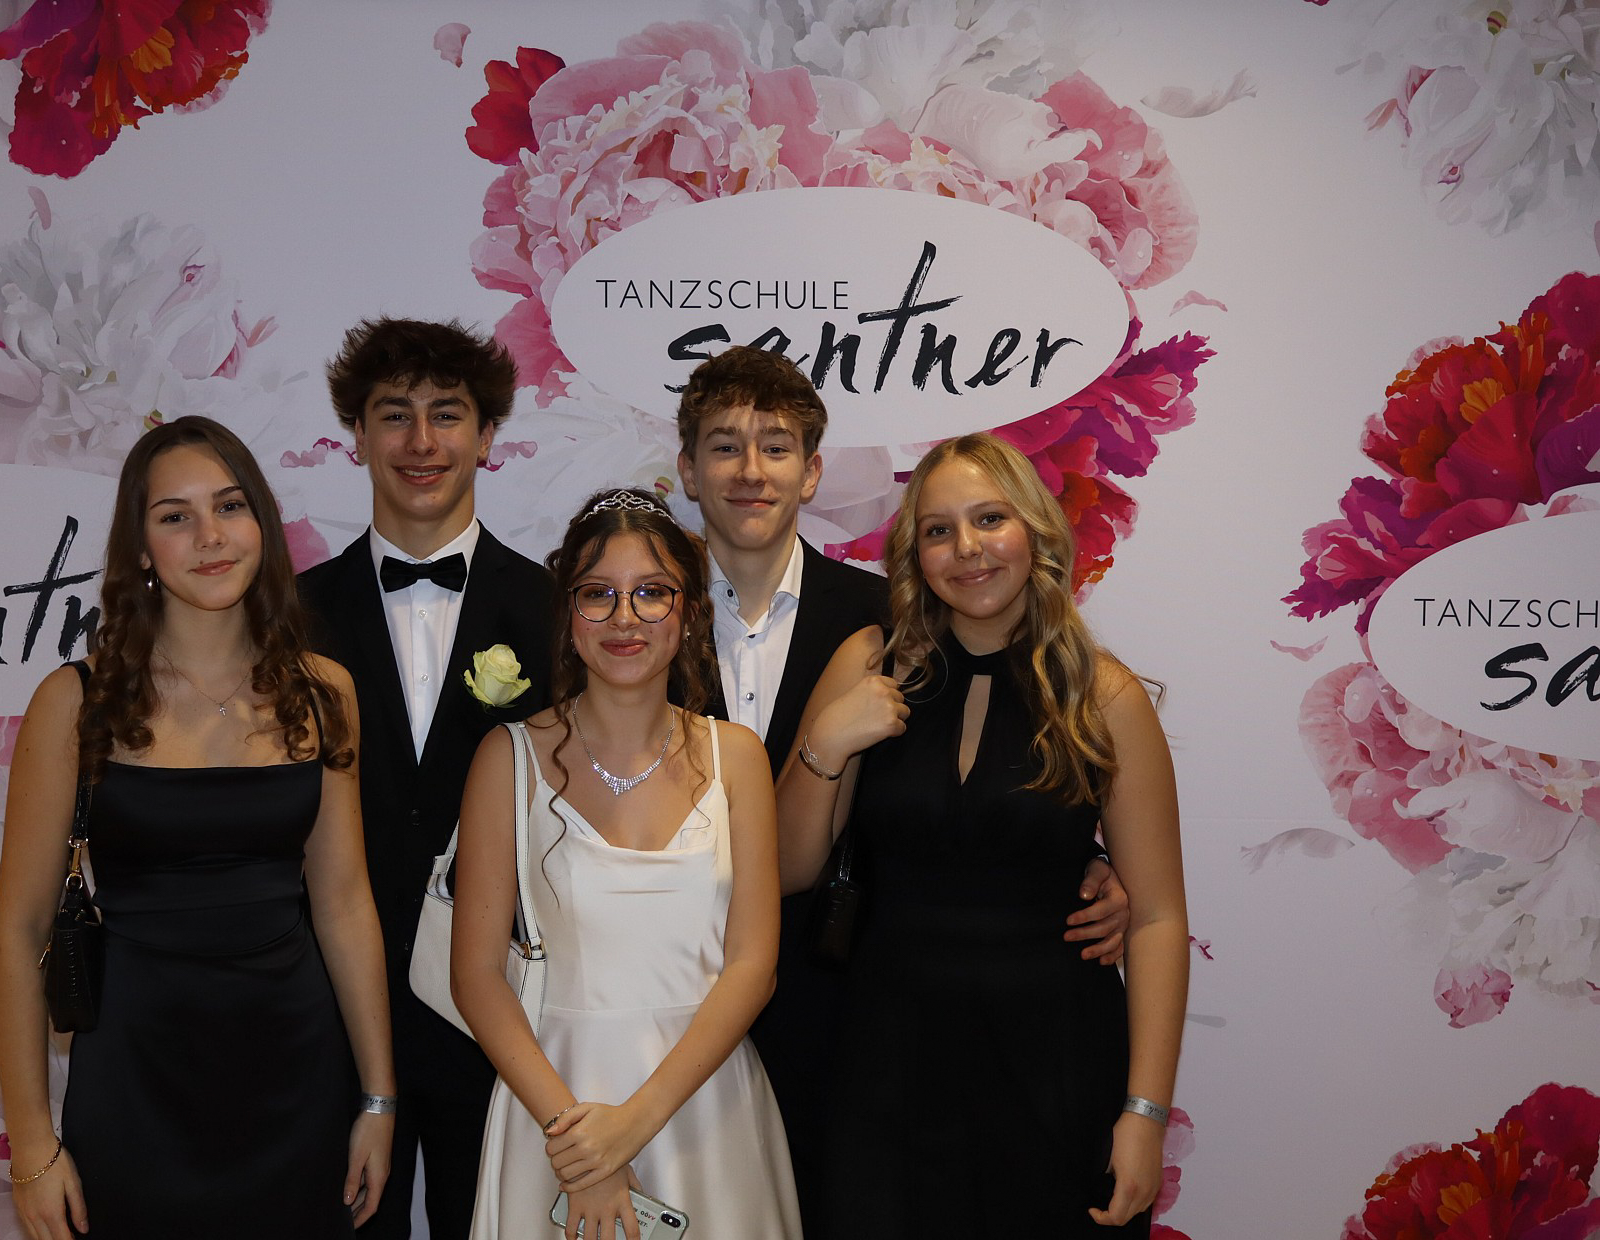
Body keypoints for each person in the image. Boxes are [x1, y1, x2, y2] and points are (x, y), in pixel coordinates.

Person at [673, 346, 1131, 1232]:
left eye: (776, 447)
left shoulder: (890, 622)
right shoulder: (630, 613)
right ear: (688, 471)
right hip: (664, 990)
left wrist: (1084, 862)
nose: (751, 470)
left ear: (812, 472)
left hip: (843, 1010)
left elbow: (990, 775)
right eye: (724, 446)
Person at [0, 416, 397, 1240]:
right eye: (175, 516)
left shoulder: (324, 693)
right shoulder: (75, 702)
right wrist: (31, 1144)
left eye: (230, 506)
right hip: (132, 1084)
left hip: (298, 1078)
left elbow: (346, 903)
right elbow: (19, 933)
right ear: (140, 548)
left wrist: (379, 1099)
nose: (210, 536)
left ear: (261, 525)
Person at [775, 432, 1188, 1236]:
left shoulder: (1104, 695)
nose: (967, 547)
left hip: (1055, 1074)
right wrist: (824, 743)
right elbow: (790, 868)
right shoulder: (872, 665)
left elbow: (1158, 918)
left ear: (1034, 530)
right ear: (915, 553)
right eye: (939, 529)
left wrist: (1144, 1113)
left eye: (990, 518)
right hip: (883, 1073)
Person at [452, 488, 801, 1240]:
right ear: (567, 614)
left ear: (689, 612)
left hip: (704, 1100)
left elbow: (753, 966)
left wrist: (635, 1124)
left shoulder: (737, 757)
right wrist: (582, 1146)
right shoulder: (507, 759)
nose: (624, 618)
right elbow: (476, 978)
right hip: (555, 1106)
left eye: (651, 592)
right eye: (598, 594)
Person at [299, 318, 555, 1239]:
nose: (420, 442)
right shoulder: (289, 618)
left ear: (487, 437)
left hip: (500, 1011)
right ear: (356, 435)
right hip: (329, 1012)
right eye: (393, 414)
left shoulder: (560, 612)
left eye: (446, 415)